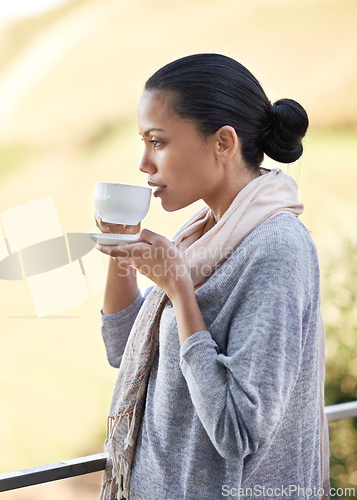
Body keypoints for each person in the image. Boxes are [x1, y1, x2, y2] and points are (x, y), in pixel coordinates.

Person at [94, 54, 329, 500]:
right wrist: (121, 249)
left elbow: (238, 430)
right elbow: (122, 349)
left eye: (157, 141)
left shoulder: (277, 249)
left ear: (223, 143)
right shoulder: (201, 237)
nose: (144, 163)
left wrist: (179, 290)